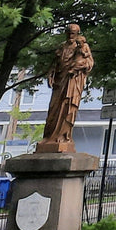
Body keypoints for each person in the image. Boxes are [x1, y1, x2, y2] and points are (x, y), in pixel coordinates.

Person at [39, 24, 94, 152]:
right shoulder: (62, 46)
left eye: (73, 33)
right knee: (53, 108)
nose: (71, 36)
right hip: (59, 81)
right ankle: (48, 137)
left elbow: (89, 62)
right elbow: (55, 63)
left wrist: (78, 67)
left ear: (77, 34)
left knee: (67, 107)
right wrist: (51, 74)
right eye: (69, 33)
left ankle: (63, 136)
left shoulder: (81, 46)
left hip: (71, 82)